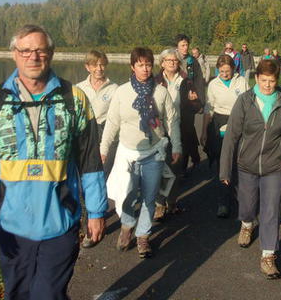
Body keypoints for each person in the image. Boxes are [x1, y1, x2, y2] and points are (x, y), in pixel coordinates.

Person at [0, 24, 107, 300]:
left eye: (40, 50)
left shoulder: (74, 101)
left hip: (60, 222)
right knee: (18, 294)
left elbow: (90, 160)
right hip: (11, 225)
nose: (33, 57)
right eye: (25, 51)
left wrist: (96, 210)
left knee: (48, 293)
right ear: (14, 54)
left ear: (51, 53)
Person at [220, 59, 281, 279]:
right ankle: (247, 224)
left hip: (276, 165)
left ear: (277, 80)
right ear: (256, 78)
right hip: (247, 165)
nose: (267, 85)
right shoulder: (245, 101)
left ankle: (268, 255)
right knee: (247, 205)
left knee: (271, 208)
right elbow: (231, 137)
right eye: (264, 80)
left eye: (272, 81)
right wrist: (225, 169)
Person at [100, 47, 181, 258]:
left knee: (150, 195)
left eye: (148, 65)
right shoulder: (122, 92)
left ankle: (143, 235)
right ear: (132, 67)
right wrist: (104, 148)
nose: (145, 69)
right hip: (128, 153)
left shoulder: (161, 92)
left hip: (154, 153)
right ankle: (127, 225)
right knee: (126, 195)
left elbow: (172, 121)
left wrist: (177, 145)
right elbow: (112, 122)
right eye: (140, 65)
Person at [153, 48, 203, 219]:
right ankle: (160, 204)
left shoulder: (186, 81)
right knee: (160, 167)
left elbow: (198, 107)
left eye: (175, 61)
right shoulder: (155, 81)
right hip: (159, 130)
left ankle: (172, 202)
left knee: (175, 168)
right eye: (168, 60)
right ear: (162, 63)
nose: (172, 63)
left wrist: (194, 101)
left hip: (181, 128)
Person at [77, 49, 118, 247]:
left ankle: (96, 222)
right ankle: (90, 223)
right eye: (95, 65)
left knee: (102, 177)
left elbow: (116, 118)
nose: (99, 68)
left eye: (102, 64)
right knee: (87, 179)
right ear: (88, 67)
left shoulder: (114, 88)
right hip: (85, 135)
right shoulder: (78, 88)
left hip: (105, 133)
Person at [201, 54, 249, 218]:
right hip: (219, 123)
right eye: (222, 71)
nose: (225, 74)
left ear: (233, 69)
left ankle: (241, 199)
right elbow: (209, 110)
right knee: (223, 164)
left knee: (240, 162)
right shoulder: (213, 84)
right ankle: (223, 202)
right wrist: (203, 131)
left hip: (238, 121)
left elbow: (249, 104)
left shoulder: (241, 81)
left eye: (227, 71)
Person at [175, 33, 205, 103]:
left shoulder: (193, 61)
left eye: (187, 45)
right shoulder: (171, 60)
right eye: (183, 45)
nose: (185, 47)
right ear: (177, 47)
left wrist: (201, 101)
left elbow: (199, 81)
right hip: (174, 96)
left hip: (189, 97)